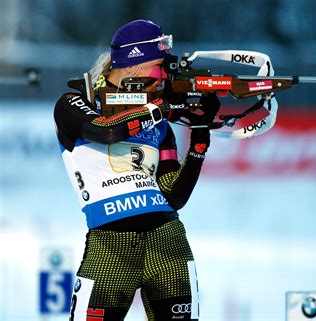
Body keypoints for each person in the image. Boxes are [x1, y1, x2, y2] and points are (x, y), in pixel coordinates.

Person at [53, 19, 220, 321]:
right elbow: (104, 131)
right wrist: (159, 109)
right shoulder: (76, 102)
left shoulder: (159, 124)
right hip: (110, 246)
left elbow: (173, 196)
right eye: (159, 66)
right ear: (132, 65)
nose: (165, 76)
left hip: (167, 241)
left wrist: (199, 137)